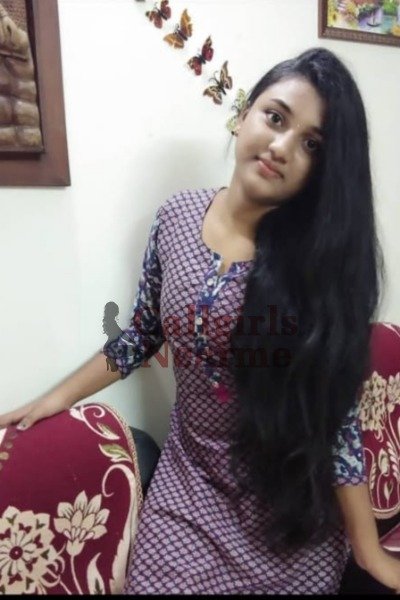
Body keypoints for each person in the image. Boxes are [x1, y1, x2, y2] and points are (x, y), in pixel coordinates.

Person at [0, 47, 399, 593]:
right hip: (190, 489)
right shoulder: (176, 217)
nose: (282, 147)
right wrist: (57, 398)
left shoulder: (316, 266)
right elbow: (142, 333)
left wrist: (368, 551)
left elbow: (338, 419)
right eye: (275, 117)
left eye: (312, 145)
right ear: (244, 115)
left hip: (285, 508)